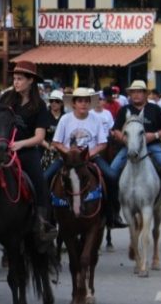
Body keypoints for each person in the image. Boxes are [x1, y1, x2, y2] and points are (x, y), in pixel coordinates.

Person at [109, 80, 161, 236]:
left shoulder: (155, 109)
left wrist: (155, 135)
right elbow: (116, 130)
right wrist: (125, 140)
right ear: (130, 94)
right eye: (133, 92)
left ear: (145, 94)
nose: (136, 94)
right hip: (129, 147)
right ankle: (113, 212)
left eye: (140, 91)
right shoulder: (124, 110)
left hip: (152, 145)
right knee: (111, 172)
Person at [0, 61, 57, 250]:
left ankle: (41, 224)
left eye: (20, 79)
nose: (16, 82)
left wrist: (20, 144)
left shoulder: (39, 106)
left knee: (40, 183)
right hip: (1, 148)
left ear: (31, 81)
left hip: (26, 151)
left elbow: (39, 137)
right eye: (14, 78)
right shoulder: (6, 98)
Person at [44, 88, 123, 227]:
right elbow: (56, 142)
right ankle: (47, 217)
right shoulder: (65, 119)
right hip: (67, 159)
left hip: (91, 157)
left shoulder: (96, 119)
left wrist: (88, 154)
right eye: (80, 101)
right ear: (74, 103)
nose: (84, 104)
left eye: (86, 101)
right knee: (45, 177)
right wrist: (69, 153)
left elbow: (102, 143)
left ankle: (112, 214)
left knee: (112, 176)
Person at [40, 90, 64, 172]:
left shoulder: (66, 117)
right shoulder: (44, 116)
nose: (53, 103)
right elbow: (39, 137)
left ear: (61, 103)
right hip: (45, 149)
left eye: (57, 101)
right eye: (51, 101)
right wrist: (49, 147)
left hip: (62, 149)